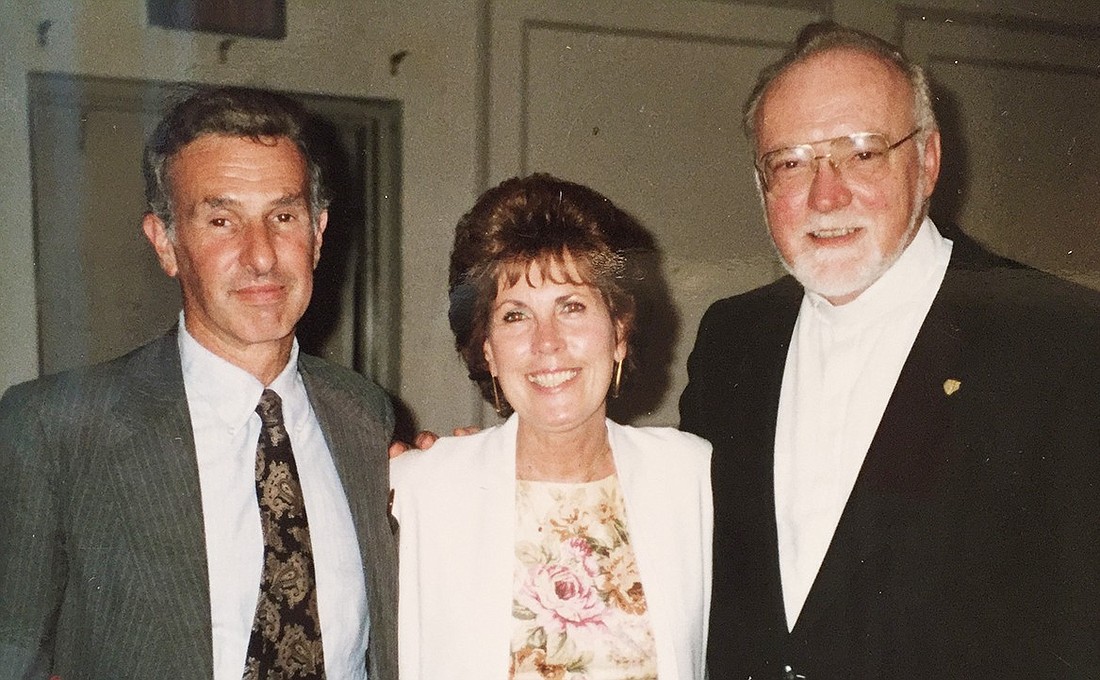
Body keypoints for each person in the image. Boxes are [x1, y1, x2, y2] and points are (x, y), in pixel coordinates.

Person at [680, 21, 1100, 679]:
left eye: (862, 153)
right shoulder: (731, 340)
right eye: (790, 162)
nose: (826, 194)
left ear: (928, 160)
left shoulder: (1062, 339)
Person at [0, 87, 397, 679]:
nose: (261, 256)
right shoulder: (55, 430)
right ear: (165, 243)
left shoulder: (365, 416)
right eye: (221, 220)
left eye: (282, 217)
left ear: (317, 233)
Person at [390, 174, 712, 680]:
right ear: (488, 351)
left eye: (573, 307)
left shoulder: (694, 475)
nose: (547, 343)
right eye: (516, 316)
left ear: (619, 334)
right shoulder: (417, 489)